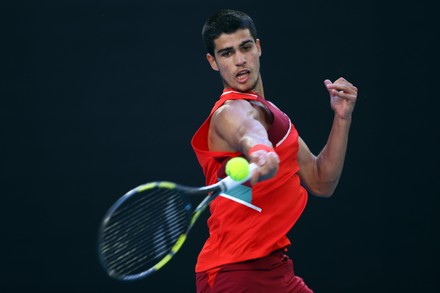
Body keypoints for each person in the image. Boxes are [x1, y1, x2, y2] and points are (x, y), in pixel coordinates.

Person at [191, 9, 358, 293]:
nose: (239, 60)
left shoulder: (277, 117)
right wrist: (260, 152)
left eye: (245, 48)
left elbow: (321, 180)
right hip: (233, 274)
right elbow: (247, 130)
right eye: (227, 53)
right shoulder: (228, 112)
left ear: (258, 47)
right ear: (213, 62)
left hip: (276, 269)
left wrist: (342, 118)